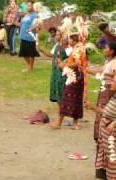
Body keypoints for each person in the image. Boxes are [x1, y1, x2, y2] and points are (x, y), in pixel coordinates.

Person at [87, 42, 116, 179]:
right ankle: (104, 172)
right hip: (107, 103)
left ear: (112, 51)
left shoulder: (114, 64)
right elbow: (101, 73)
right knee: (103, 138)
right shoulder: (109, 62)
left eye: (106, 47)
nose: (104, 49)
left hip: (109, 102)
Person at [51, 34, 85, 130]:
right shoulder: (76, 49)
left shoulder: (79, 49)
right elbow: (70, 60)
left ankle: (61, 122)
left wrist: (64, 66)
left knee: (68, 98)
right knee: (71, 99)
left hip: (75, 77)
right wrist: (63, 63)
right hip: (74, 76)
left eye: (70, 39)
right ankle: (72, 123)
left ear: (74, 40)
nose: (68, 41)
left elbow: (77, 63)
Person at [38, 30, 67, 110]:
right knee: (57, 93)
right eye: (56, 35)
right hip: (56, 72)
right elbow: (51, 55)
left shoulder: (66, 47)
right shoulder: (57, 45)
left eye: (58, 35)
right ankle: (60, 111)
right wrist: (42, 50)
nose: (56, 36)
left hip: (63, 72)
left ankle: (62, 112)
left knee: (62, 93)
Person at [18, 1, 40, 72]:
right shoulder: (26, 14)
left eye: (30, 6)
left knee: (31, 53)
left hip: (30, 36)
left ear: (33, 7)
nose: (28, 7)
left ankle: (30, 68)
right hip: (23, 35)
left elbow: (38, 24)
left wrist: (31, 29)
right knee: (23, 53)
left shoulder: (35, 15)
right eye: (27, 6)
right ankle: (29, 66)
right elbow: (22, 23)